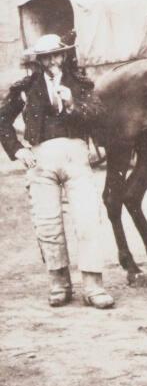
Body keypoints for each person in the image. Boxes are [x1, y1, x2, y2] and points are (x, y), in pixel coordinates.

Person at [0, 34, 114, 309]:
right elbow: (2, 120)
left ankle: (93, 284)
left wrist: (73, 102)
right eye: (46, 57)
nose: (52, 61)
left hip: (76, 156)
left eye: (57, 55)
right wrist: (18, 150)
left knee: (87, 219)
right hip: (41, 158)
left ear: (64, 56)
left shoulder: (80, 84)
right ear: (38, 60)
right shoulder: (25, 88)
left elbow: (100, 115)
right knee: (48, 223)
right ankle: (59, 282)